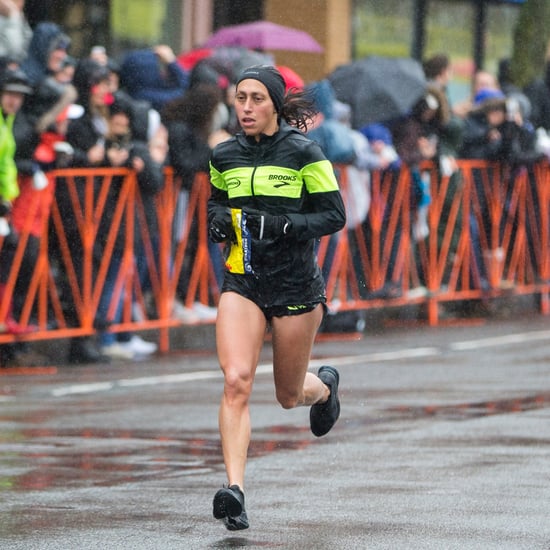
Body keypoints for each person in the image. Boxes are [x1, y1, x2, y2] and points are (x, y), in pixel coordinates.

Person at [208, 65, 346, 530]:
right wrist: (218, 222)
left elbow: (334, 215)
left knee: (289, 395)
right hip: (242, 281)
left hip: (294, 287)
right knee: (236, 381)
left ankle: (324, 386)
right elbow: (215, 201)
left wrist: (286, 225)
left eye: (256, 99)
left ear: (274, 104)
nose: (246, 108)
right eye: (240, 98)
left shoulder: (305, 152)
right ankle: (235, 492)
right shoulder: (223, 155)